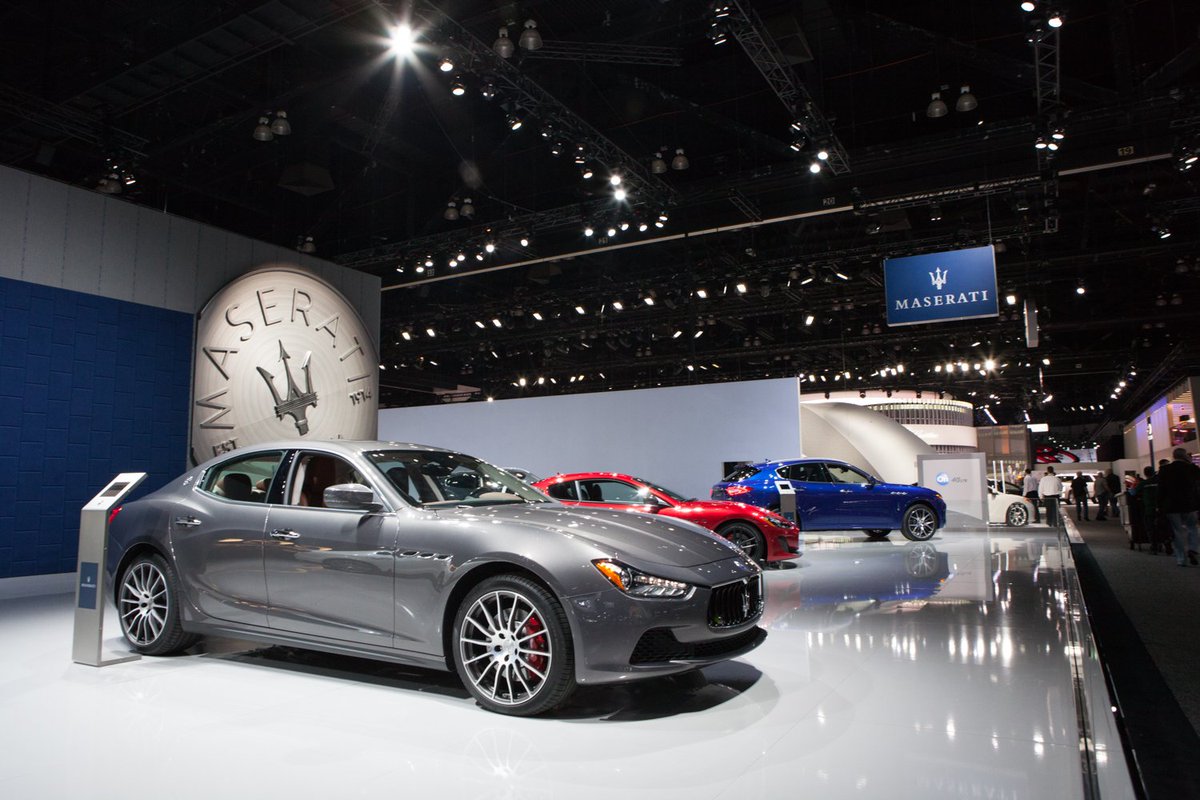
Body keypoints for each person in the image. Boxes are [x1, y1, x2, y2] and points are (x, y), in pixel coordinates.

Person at [1158, 448, 1200, 567]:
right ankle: (1193, 549)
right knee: (1192, 527)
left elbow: (1161, 489)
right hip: (1190, 504)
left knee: (1177, 531)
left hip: (1171, 505)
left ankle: (1181, 558)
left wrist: (1160, 505)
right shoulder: (1192, 468)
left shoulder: (1165, 469)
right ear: (1185, 455)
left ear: (1174, 456)